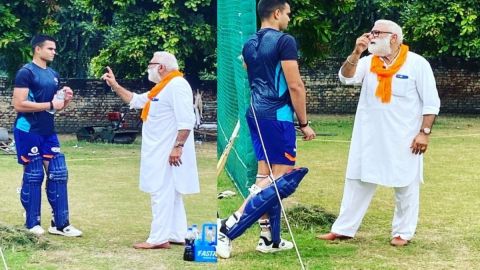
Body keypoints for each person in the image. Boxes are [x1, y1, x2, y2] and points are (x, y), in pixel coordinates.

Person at [317, 20, 440, 246]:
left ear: (393, 37)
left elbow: (431, 103)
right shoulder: (368, 62)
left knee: (405, 185)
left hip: (404, 138)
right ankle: (343, 229)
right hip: (369, 137)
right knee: (357, 180)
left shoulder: (416, 63)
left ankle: (403, 232)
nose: (371, 36)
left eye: (376, 33)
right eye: (371, 32)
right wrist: (356, 52)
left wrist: (424, 133)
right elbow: (346, 78)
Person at [217, 0, 315, 258]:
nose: (289, 19)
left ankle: (269, 239)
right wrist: (303, 123)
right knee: (278, 180)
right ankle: (228, 228)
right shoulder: (285, 41)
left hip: (255, 113)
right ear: (276, 13)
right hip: (277, 116)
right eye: (288, 14)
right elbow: (295, 86)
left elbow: (251, 73)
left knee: (264, 177)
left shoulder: (249, 43)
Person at [102, 51, 200, 249]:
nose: (148, 68)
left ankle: (158, 238)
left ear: (161, 67)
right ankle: (176, 233)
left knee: (160, 191)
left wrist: (178, 147)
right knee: (170, 192)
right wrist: (115, 85)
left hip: (167, 150)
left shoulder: (177, 85)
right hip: (158, 149)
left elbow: (186, 120)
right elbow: (136, 100)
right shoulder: (161, 89)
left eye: (150, 64)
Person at [12, 35, 82, 237]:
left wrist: (65, 100)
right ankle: (32, 222)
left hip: (48, 131)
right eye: (50, 48)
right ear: (37, 49)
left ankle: (60, 224)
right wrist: (51, 104)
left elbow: (53, 108)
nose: (54, 52)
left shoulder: (53, 74)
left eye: (54, 49)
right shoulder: (25, 73)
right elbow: (19, 104)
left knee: (59, 173)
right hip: (27, 130)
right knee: (34, 174)